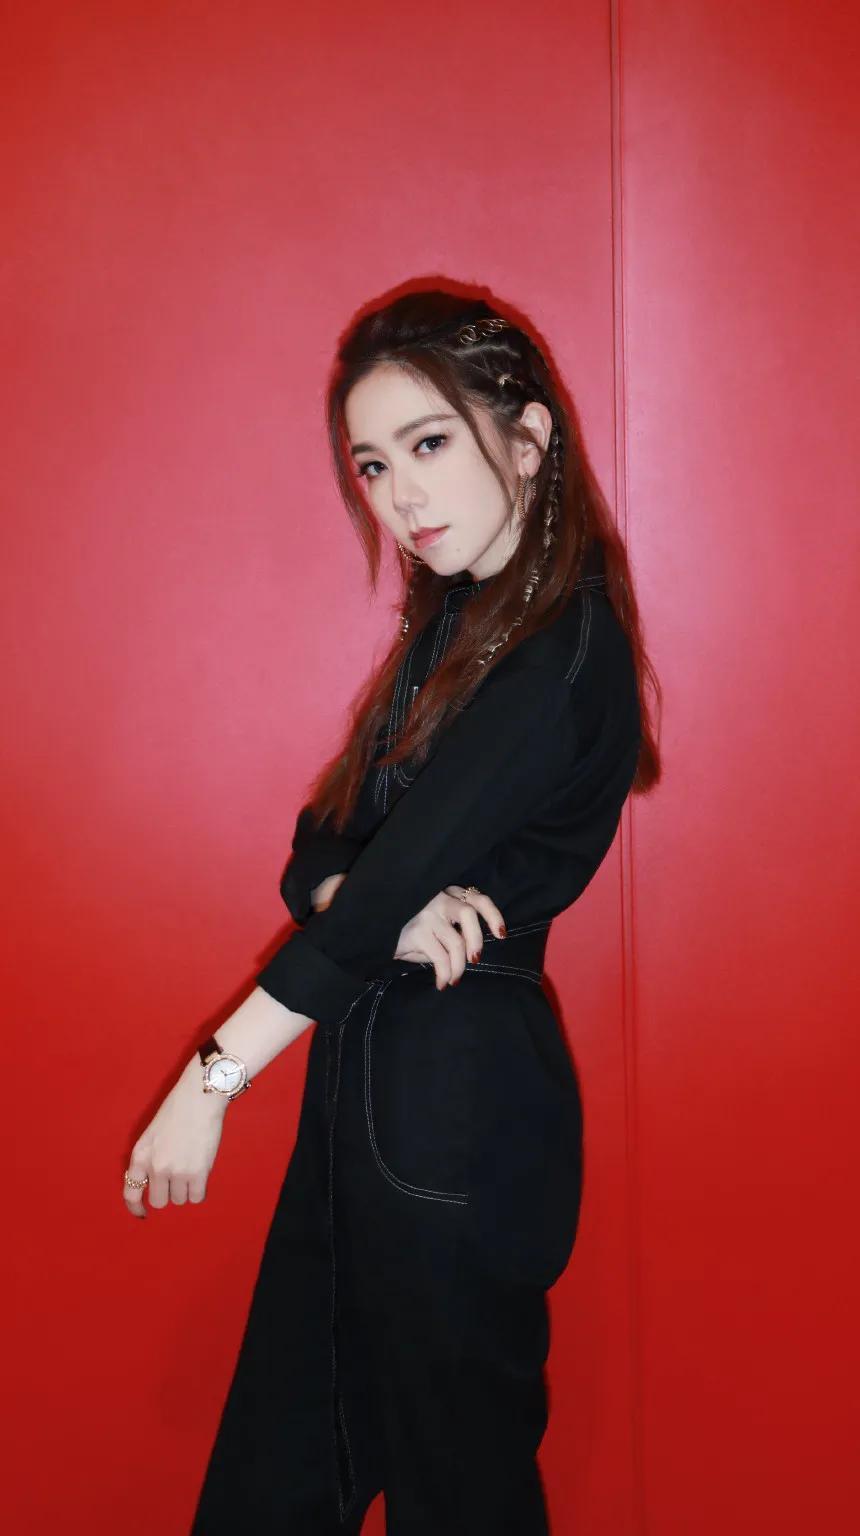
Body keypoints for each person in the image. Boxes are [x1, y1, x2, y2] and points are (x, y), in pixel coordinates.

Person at [122, 289, 661, 1534]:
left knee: (457, 1491)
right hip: (369, 1090)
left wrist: (209, 1082)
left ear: (526, 436)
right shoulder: (457, 629)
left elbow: (372, 888)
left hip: (455, 1103)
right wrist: (372, 901)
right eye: (372, 465)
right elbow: (322, 848)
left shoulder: (559, 652)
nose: (399, 495)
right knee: (275, 1481)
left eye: (427, 443)